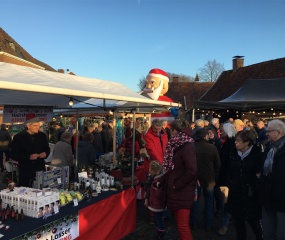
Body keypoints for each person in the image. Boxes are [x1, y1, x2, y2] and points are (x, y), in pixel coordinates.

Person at [162, 119, 197, 240]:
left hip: (182, 190)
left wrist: (176, 184)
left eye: (170, 131)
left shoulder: (186, 146)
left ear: (175, 131)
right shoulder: (179, 145)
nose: (169, 134)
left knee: (182, 226)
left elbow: (192, 170)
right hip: (179, 190)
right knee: (180, 225)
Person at [227, 130, 263, 240]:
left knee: (255, 222)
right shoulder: (233, 153)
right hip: (236, 194)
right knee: (239, 223)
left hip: (252, 194)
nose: (235, 143)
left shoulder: (258, 155)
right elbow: (228, 171)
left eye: (238, 140)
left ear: (247, 142)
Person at [191, 128, 220, 231]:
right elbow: (218, 165)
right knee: (209, 202)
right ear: (205, 136)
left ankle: (193, 223)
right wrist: (215, 177)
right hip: (209, 178)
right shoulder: (212, 148)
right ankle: (208, 223)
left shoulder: (192, 147)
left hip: (195, 178)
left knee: (195, 201)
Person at [261, 119, 285, 239]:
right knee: (268, 233)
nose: (266, 133)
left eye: (269, 131)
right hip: (268, 198)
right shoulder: (269, 148)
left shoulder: (278, 149)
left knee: (281, 234)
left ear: (278, 132)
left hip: (281, 200)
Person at [11, 114, 50, 187]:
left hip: (40, 169)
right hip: (26, 171)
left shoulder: (42, 136)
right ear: (28, 126)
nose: (38, 127)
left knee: (41, 191)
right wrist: (28, 157)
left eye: (38, 125)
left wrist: (45, 153)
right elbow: (13, 155)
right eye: (35, 125)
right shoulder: (18, 137)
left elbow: (47, 149)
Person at [216, 122, 237, 235]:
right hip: (226, 177)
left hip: (227, 178)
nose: (221, 132)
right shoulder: (229, 143)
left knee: (225, 202)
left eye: (223, 130)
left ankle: (224, 225)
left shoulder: (231, 144)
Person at [144, 160, 167, 240]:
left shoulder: (157, 182)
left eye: (150, 169)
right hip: (159, 204)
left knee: (158, 219)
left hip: (157, 204)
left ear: (154, 171)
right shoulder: (161, 178)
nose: (149, 170)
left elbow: (157, 194)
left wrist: (152, 188)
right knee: (158, 219)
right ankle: (159, 232)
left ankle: (161, 233)